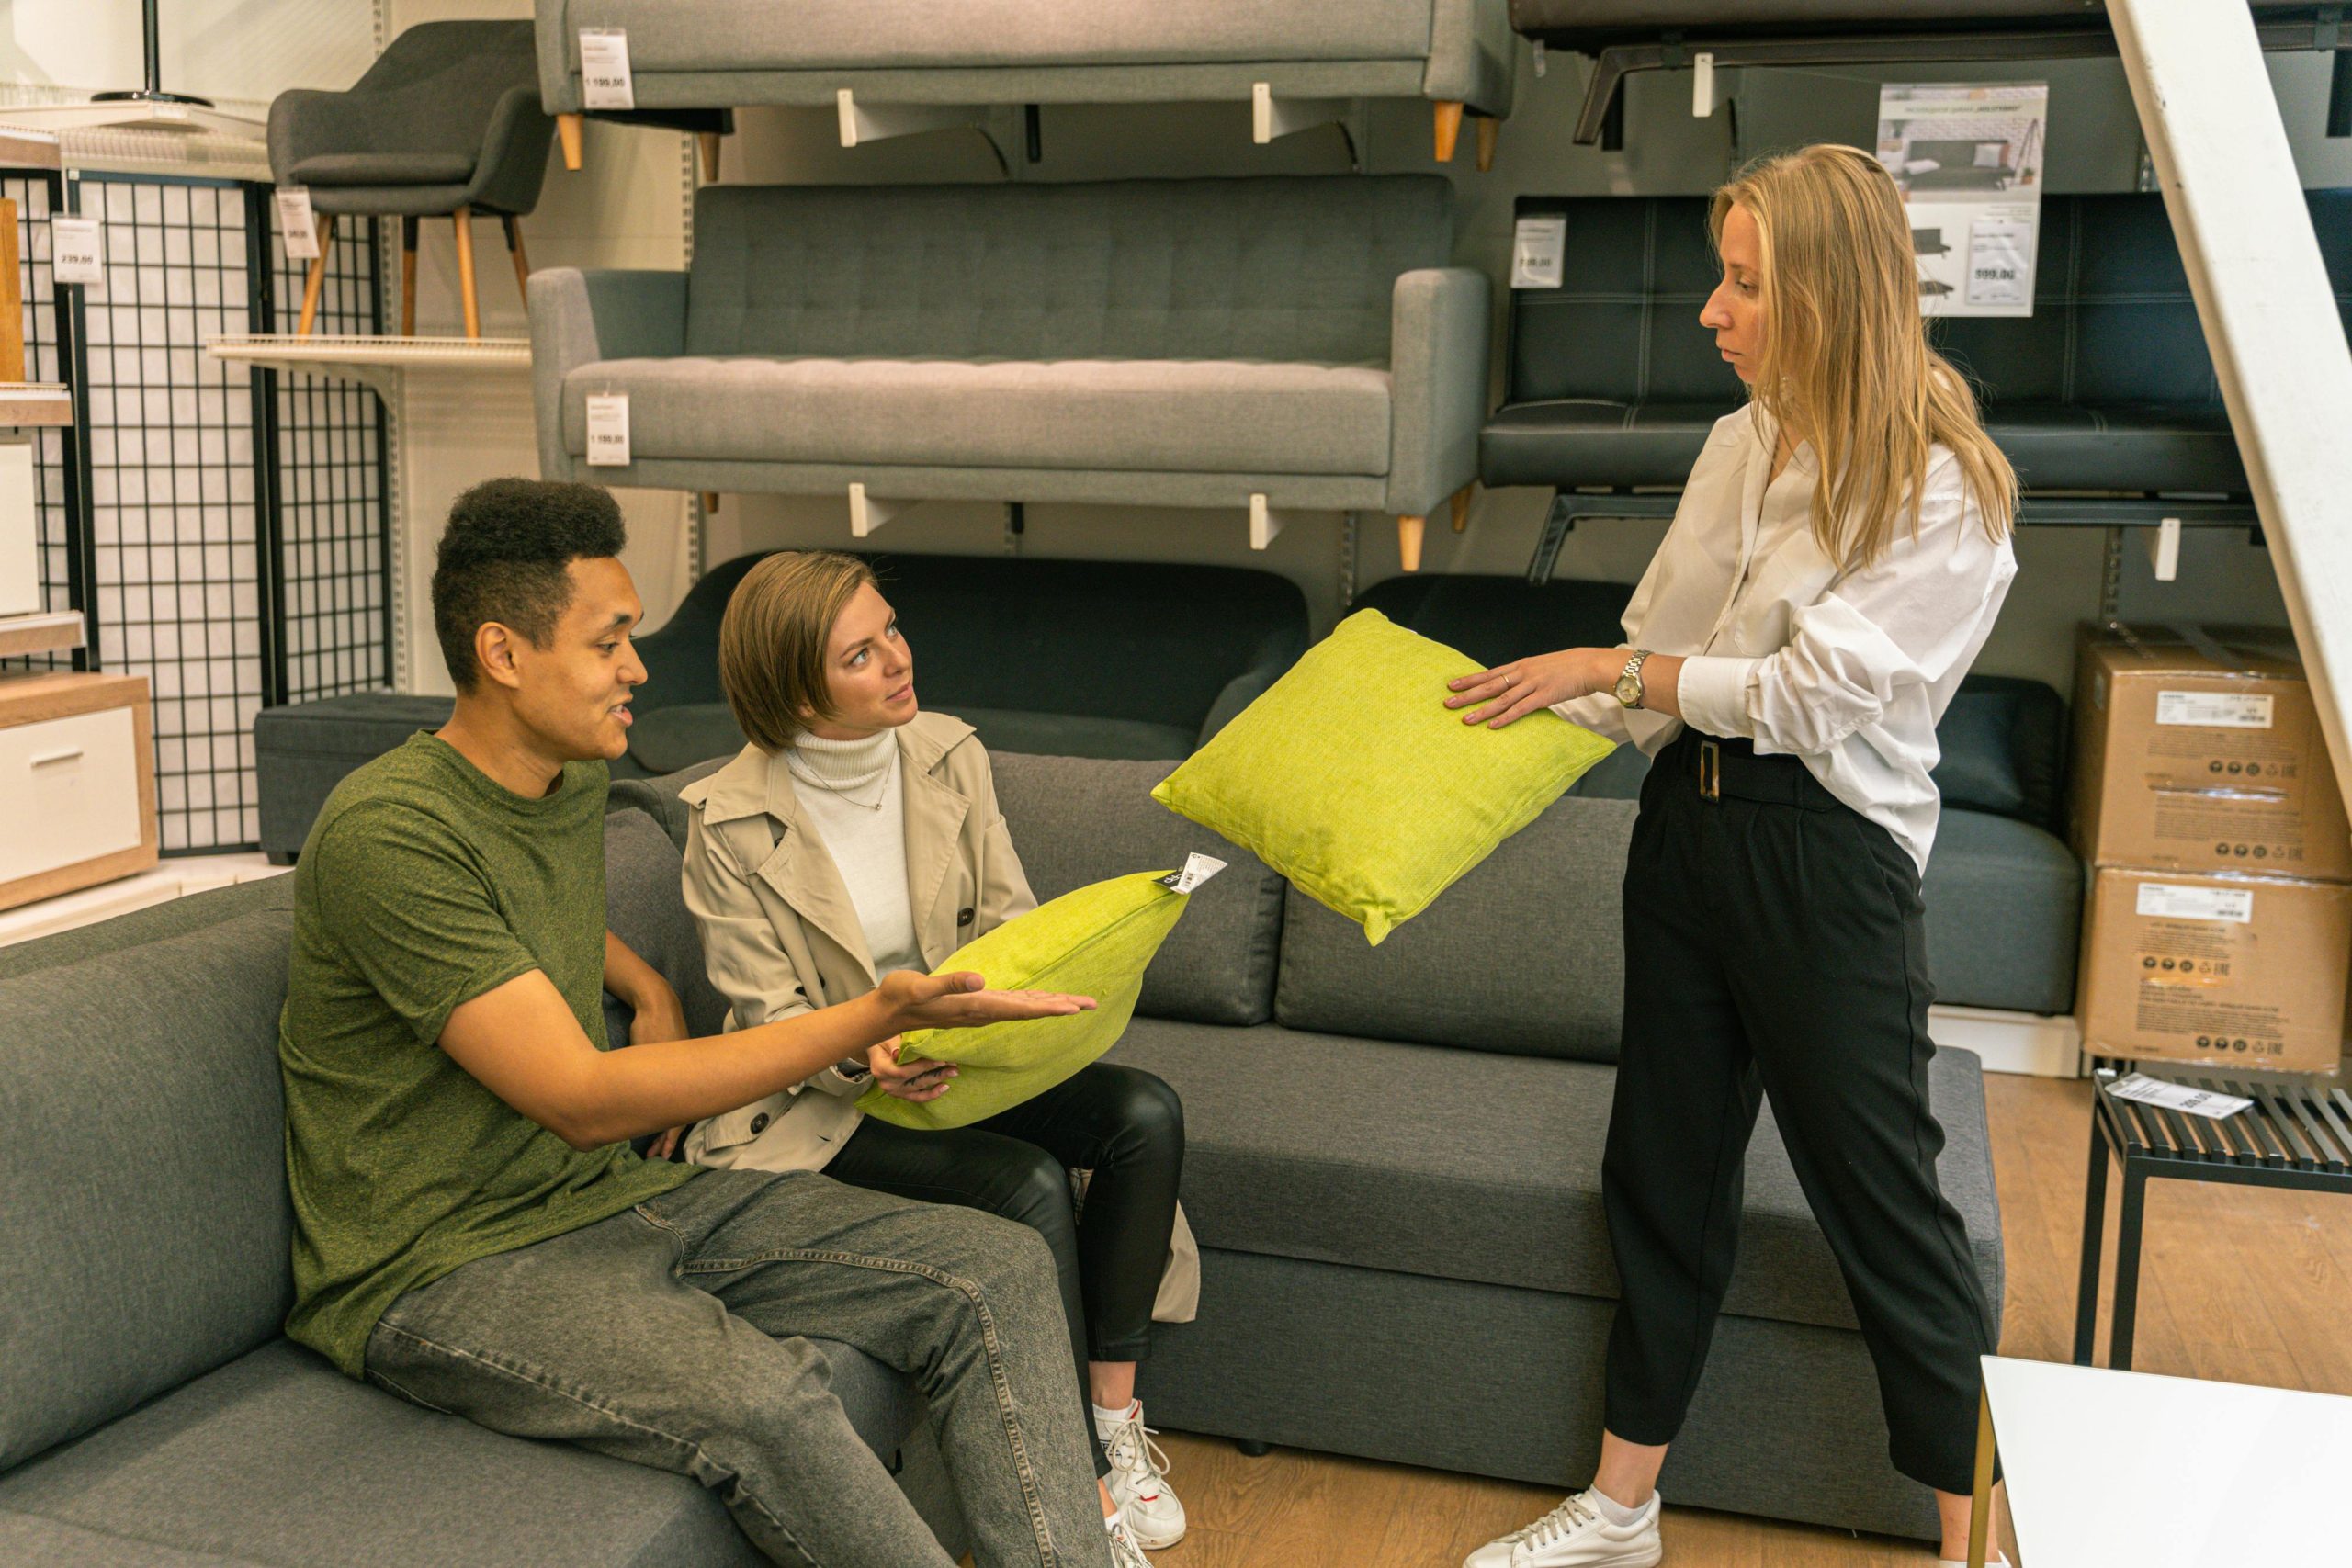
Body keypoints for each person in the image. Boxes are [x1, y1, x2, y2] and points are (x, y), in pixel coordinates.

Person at [277, 479, 1145, 1568]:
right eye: (609, 644)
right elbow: (580, 1101)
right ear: (504, 655)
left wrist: (642, 983)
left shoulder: (561, 782)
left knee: (996, 1268)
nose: (638, 669)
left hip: (608, 1198)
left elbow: (507, 913)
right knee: (774, 1406)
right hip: (444, 1263)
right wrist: (866, 1015)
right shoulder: (385, 833)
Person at [1450, 146, 2016, 1568]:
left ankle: (1979, 1545)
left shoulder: (1943, 486)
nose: (1715, 310)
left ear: (1830, 295)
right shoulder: (1741, 441)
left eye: (1747, 283)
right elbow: (1658, 640)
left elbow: (1810, 698)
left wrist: (1619, 667)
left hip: (1825, 857)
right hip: (1688, 828)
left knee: (1882, 1203)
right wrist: (1456, 730)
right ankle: (1624, 1507)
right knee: (1664, 1163)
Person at [671, 549, 1193, 1551]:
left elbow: (1009, 918)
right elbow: (768, 1018)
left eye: (892, 631)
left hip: (965, 1053)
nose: (898, 661)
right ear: (793, 687)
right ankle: (1079, 1488)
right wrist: (866, 1053)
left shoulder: (950, 751)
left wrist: (1028, 995)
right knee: (1030, 1184)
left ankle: (1110, 1422)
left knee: (1143, 1115)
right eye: (859, 655)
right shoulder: (724, 822)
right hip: (829, 1094)